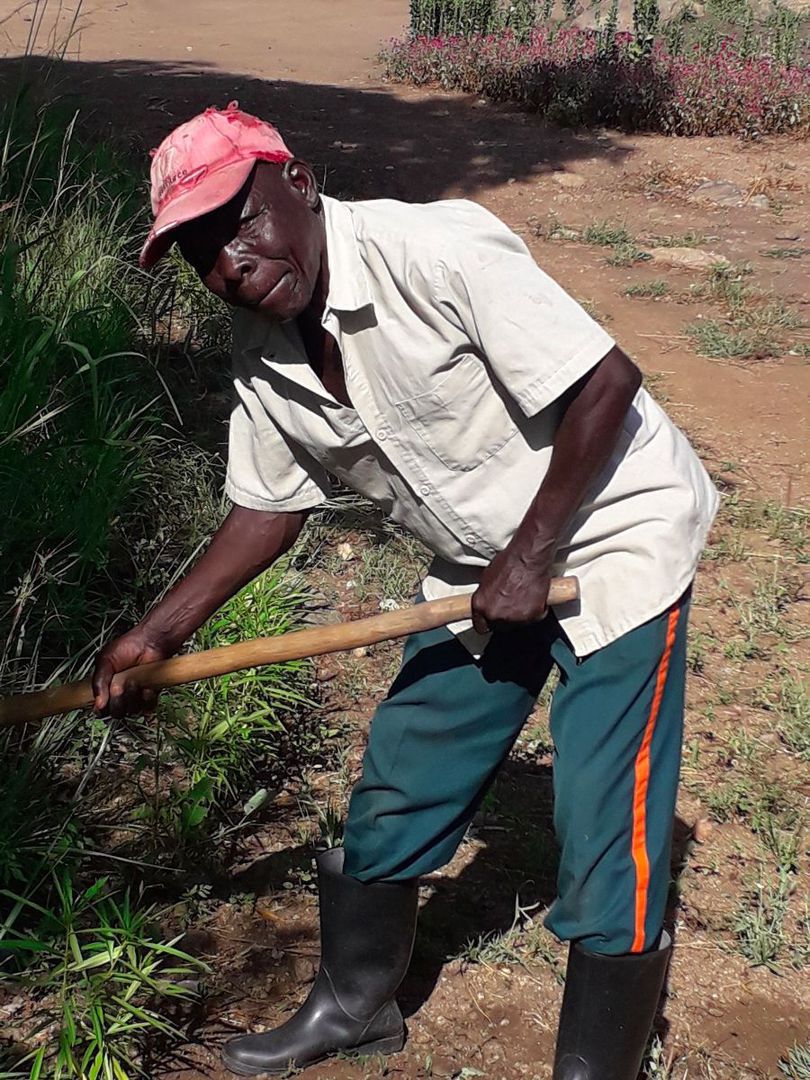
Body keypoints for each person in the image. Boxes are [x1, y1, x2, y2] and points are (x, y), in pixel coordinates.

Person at [93, 103, 718, 1079]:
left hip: (610, 536)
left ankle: (599, 1066)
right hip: (481, 566)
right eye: (203, 254)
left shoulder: (433, 253)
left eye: (239, 224)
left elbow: (606, 383)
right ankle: (356, 1003)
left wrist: (531, 555)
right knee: (403, 773)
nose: (233, 264)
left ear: (299, 183)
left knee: (605, 822)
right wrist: (159, 633)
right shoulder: (264, 339)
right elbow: (268, 507)